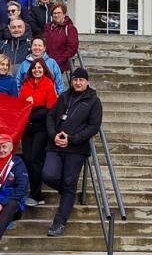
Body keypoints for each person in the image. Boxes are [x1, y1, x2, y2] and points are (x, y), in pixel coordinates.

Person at [43, 68, 102, 236]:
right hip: (55, 145)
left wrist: (73, 138)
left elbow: (94, 126)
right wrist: (54, 135)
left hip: (76, 149)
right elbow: (50, 116)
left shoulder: (94, 101)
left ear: (87, 82)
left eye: (81, 80)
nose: (77, 83)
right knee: (48, 175)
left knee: (69, 182)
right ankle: (68, 193)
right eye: (75, 80)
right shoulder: (63, 97)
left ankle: (59, 222)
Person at [19, 59, 59, 207]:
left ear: (44, 69)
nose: (37, 70)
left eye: (40, 68)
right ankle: (33, 191)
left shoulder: (48, 83)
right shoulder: (26, 84)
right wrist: (29, 107)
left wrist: (32, 106)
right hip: (27, 128)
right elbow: (21, 106)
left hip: (41, 127)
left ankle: (36, 194)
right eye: (34, 68)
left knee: (35, 159)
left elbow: (50, 108)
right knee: (28, 159)